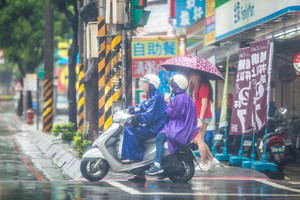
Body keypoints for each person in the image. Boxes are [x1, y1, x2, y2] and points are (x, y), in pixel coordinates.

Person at [145, 74, 199, 176]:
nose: (170, 86)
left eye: (171, 85)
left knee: (159, 138)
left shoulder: (179, 98)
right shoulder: (186, 97)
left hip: (178, 127)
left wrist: (168, 102)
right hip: (183, 126)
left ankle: (157, 165)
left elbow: (172, 113)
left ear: (175, 86)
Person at [121, 74, 167, 180]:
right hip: (151, 124)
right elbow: (143, 106)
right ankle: (139, 173)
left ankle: (133, 158)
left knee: (130, 130)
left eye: (145, 83)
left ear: (151, 85)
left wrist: (136, 118)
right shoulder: (153, 96)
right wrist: (131, 109)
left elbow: (150, 116)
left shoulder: (157, 97)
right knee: (130, 128)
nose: (143, 86)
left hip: (154, 127)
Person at [191, 73, 219, 171]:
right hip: (200, 116)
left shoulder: (203, 87)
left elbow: (204, 104)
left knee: (199, 140)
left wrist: (200, 119)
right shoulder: (198, 86)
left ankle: (203, 163)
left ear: (199, 75)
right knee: (198, 139)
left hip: (203, 117)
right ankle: (211, 159)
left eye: (193, 75)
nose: (192, 77)